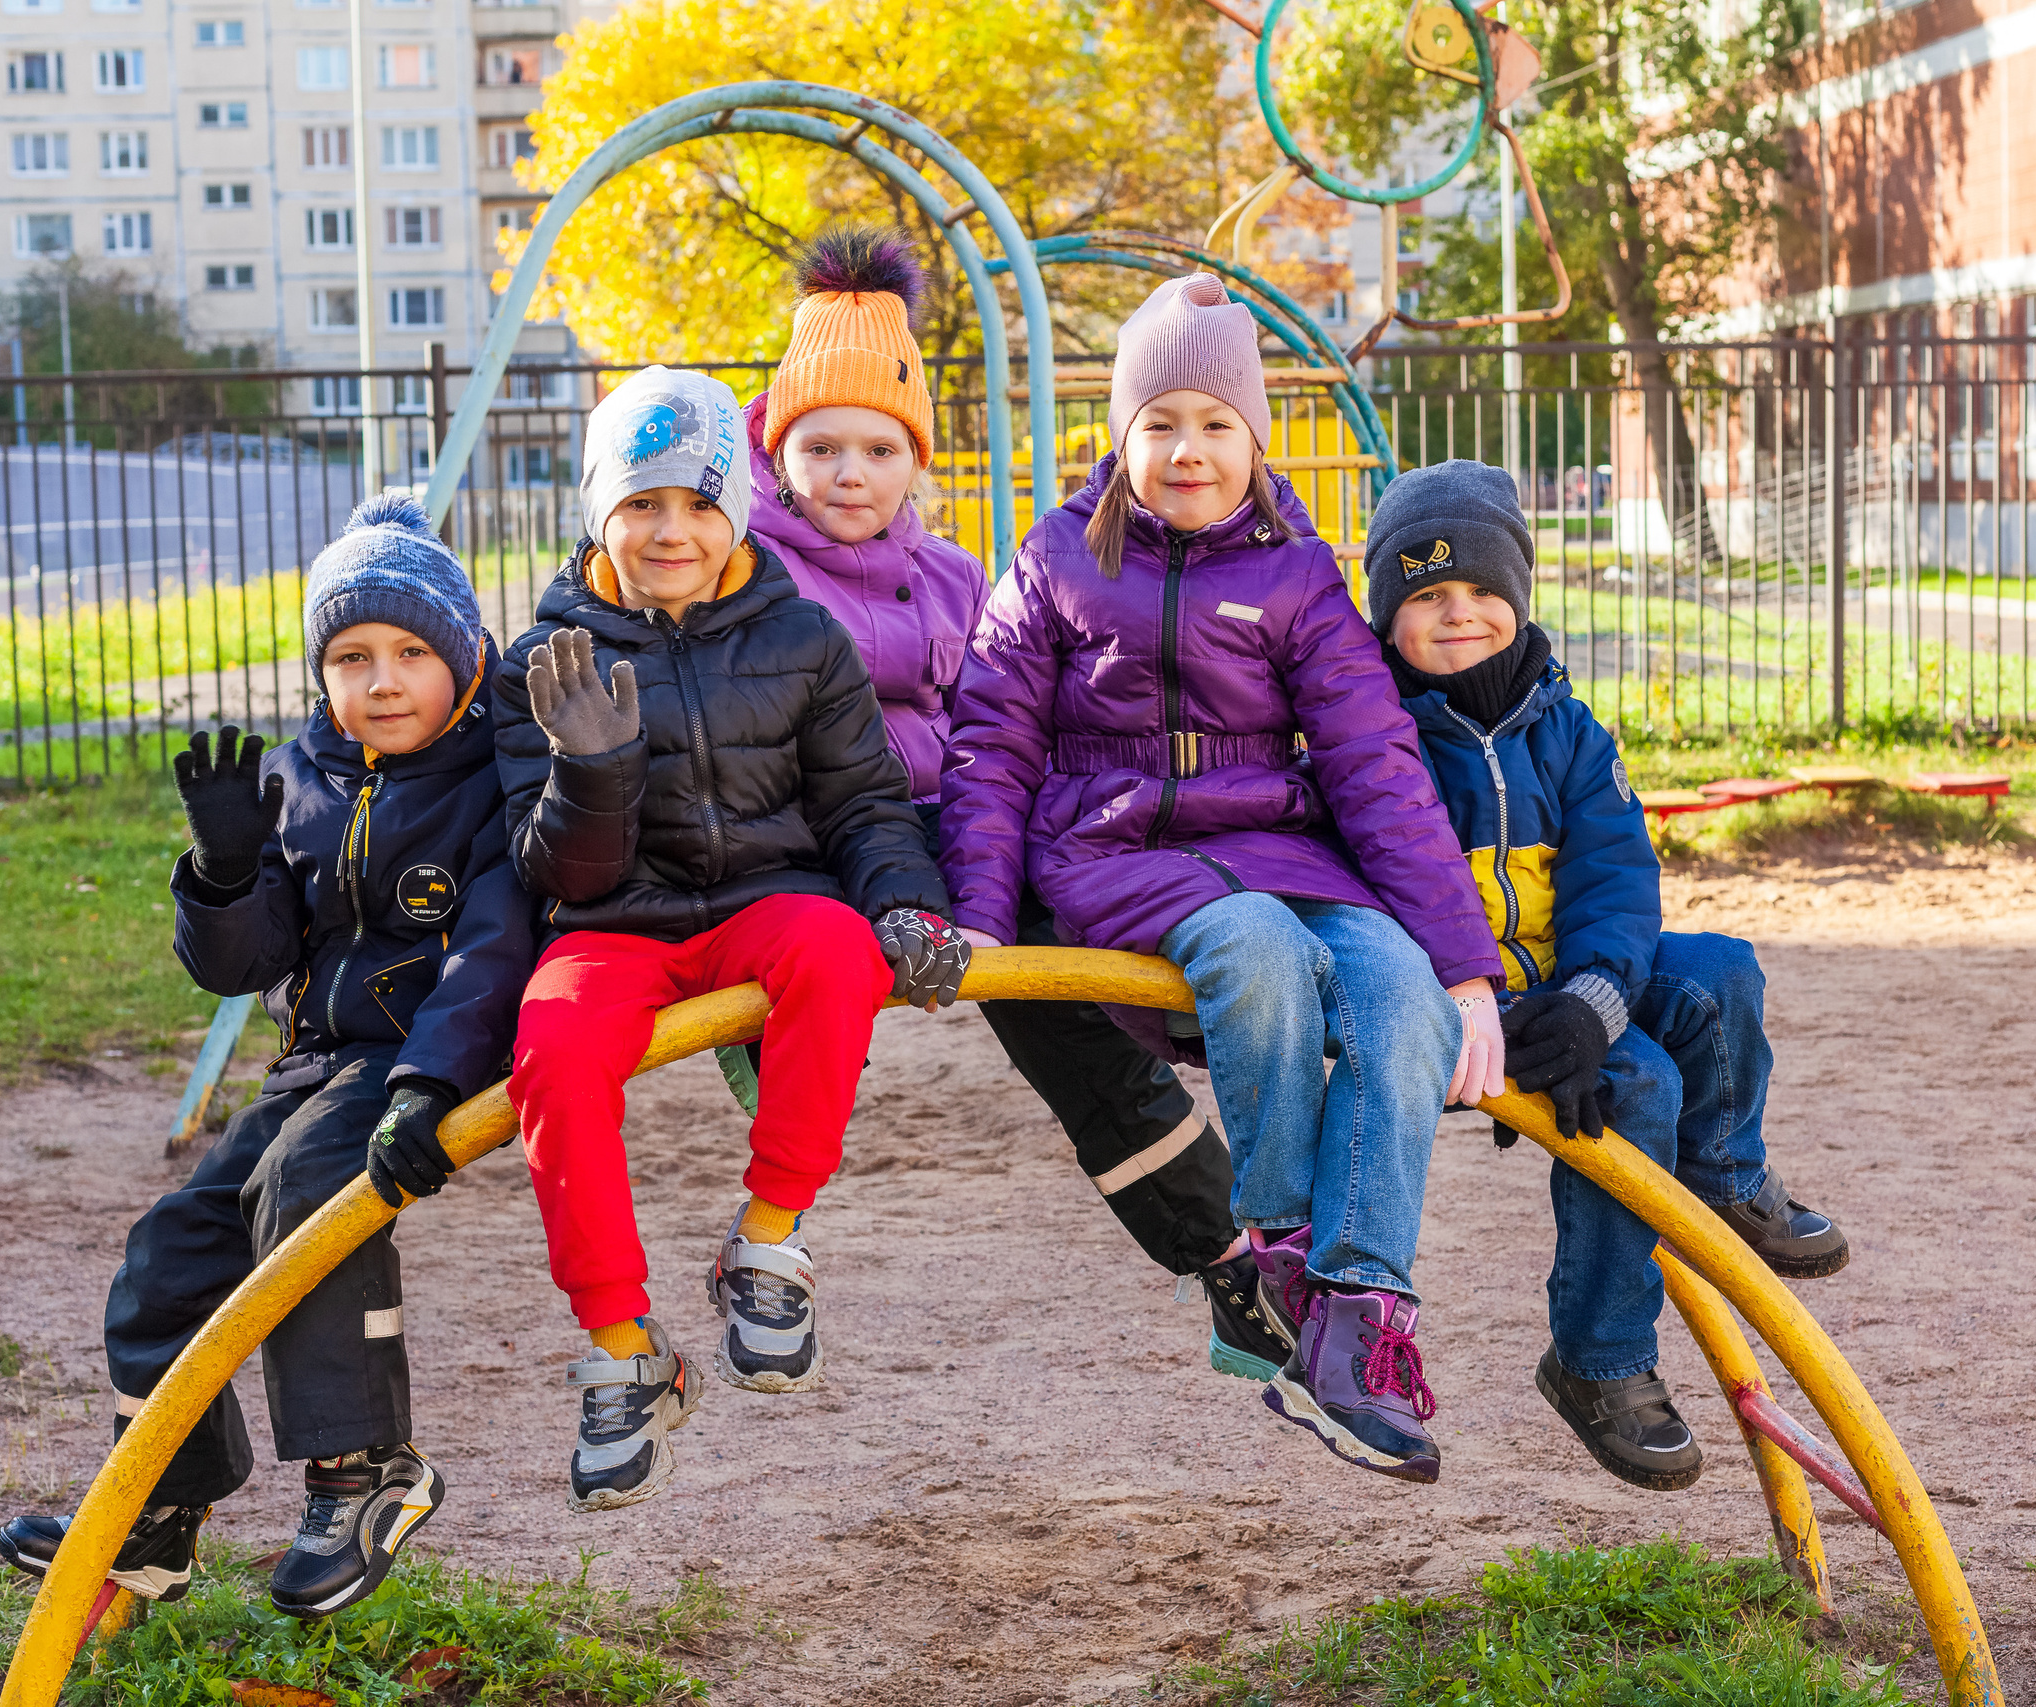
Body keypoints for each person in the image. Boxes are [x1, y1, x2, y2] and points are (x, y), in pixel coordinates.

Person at [943, 274, 1507, 1485]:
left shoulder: (1299, 578)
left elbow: (1376, 767)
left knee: (1396, 987)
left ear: (1255, 437)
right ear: (1120, 435)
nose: (1186, 451)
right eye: (1160, 424)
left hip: (1278, 841)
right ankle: (1285, 1241)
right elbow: (990, 747)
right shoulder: (1053, 563)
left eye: (1214, 424)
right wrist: (980, 922)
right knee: (1252, 943)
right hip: (1115, 848)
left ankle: (1356, 1312)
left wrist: (1464, 967)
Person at [742, 226, 1282, 1382]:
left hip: (942, 841)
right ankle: (766, 1240)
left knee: (1059, 987)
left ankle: (1225, 1254)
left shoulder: (948, 575)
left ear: (914, 465)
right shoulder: (750, 572)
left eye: (878, 449)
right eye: (821, 447)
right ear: (774, 453)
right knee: (798, 978)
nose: (849, 474)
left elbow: (995, 729)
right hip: (810, 849)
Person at [0, 495, 530, 1616]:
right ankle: (158, 1509)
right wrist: (229, 873)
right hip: (318, 1062)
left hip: (426, 1052)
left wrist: (432, 1083)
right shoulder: (305, 778)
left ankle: (366, 1468)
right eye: (349, 657)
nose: (381, 682)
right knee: (171, 1247)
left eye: (410, 653)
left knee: (305, 1188)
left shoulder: (495, 780)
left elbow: (496, 950)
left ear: (468, 656)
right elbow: (246, 966)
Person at [496, 364, 972, 1512]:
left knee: (835, 949)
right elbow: (548, 870)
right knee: (551, 1044)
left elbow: (862, 802)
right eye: (642, 502)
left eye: (700, 505)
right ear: (596, 507)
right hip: (618, 923)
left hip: (767, 897)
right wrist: (594, 775)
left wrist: (906, 902)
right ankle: (621, 1347)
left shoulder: (803, 638)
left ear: (739, 513)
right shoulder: (543, 661)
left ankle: (767, 1241)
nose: (672, 531)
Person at [1367, 459, 1851, 1492]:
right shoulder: (1375, 738)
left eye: (1481, 592)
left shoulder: (1568, 730)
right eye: (1425, 597)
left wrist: (1591, 1005)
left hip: (1564, 981)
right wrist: (1489, 1012)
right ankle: (1599, 1360)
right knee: (1640, 1088)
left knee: (1720, 972)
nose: (1458, 616)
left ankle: (1722, 1177)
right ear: (1387, 614)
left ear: (1520, 597)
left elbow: (1618, 882)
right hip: (1449, 999)